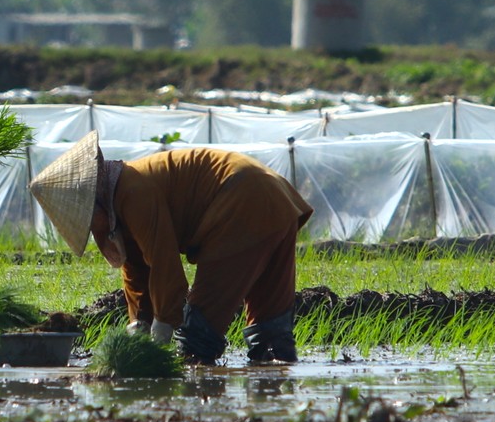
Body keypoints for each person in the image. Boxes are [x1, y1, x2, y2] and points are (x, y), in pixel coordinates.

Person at [30, 132, 313, 364]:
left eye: (89, 221)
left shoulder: (133, 191)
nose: (95, 231)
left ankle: (197, 404)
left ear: (94, 200)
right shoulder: (123, 192)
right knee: (271, 335)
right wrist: (138, 326)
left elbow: (165, 267)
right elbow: (138, 267)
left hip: (241, 202)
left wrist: (162, 330)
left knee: (196, 341)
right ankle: (275, 396)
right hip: (272, 197)